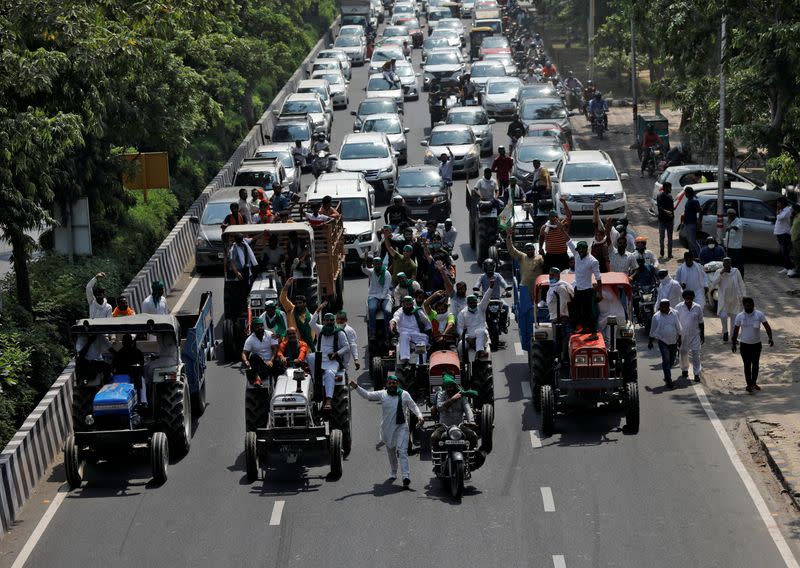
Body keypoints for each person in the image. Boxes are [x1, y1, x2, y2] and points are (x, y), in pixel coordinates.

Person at [349, 374, 424, 486]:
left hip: (402, 427)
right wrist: (356, 387)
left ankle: (405, 476)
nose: (392, 385)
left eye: (394, 383)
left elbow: (413, 406)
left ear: (397, 384)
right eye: (390, 383)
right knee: (391, 452)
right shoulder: (382, 394)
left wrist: (419, 415)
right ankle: (393, 472)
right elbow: (367, 395)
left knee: (403, 451)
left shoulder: (404, 394)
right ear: (387, 385)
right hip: (388, 429)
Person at [308, 309, 350, 409]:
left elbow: (347, 347)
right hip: (320, 359)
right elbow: (311, 323)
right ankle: (314, 381)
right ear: (324, 321)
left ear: (334, 321)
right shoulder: (320, 329)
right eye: (327, 320)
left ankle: (328, 400)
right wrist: (318, 310)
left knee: (329, 373)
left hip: (333, 361)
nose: (329, 322)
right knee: (309, 357)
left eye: (331, 320)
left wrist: (337, 353)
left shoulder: (339, 332)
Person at [430, 375, 479, 458]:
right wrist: (452, 399)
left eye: (451, 387)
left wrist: (471, 421)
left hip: (459, 426)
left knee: (473, 436)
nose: (449, 389)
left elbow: (467, 409)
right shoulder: (441, 395)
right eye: (447, 387)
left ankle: (470, 459)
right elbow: (440, 408)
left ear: (454, 386)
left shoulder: (462, 396)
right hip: (444, 427)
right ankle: (438, 461)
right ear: (445, 387)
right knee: (434, 437)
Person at [732, 297, 774, 393]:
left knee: (755, 364)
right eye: (746, 306)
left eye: (750, 306)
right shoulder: (739, 316)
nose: (748, 308)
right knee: (747, 365)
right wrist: (734, 343)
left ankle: (753, 383)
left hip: (756, 345)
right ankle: (749, 384)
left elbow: (767, 327)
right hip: (744, 345)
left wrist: (770, 338)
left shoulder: (759, 315)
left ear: (753, 305)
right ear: (744, 306)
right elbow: (735, 330)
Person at [565, 236, 602, 338]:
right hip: (578, 289)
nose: (580, 251)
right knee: (577, 310)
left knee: (590, 312)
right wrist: (561, 229)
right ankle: (585, 328)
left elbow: (598, 278)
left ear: (586, 249)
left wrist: (599, 293)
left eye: (582, 249)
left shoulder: (592, 261)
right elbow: (569, 241)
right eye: (579, 249)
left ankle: (594, 333)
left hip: (588, 290)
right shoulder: (576, 255)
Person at [709, 257, 746, 342]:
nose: (727, 266)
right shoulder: (719, 272)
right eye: (725, 264)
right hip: (724, 299)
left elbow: (741, 284)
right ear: (723, 264)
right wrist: (721, 273)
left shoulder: (736, 272)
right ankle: (725, 331)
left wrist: (743, 296)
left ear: (731, 264)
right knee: (723, 315)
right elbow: (713, 284)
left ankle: (733, 337)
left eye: (728, 264)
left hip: (734, 299)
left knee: (734, 319)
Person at [649, 299, 682, 389]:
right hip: (663, 341)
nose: (662, 308)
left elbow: (678, 326)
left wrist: (680, 337)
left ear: (668, 306)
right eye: (661, 306)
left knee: (672, 360)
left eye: (664, 306)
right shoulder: (656, 316)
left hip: (673, 341)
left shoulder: (675, 313)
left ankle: (666, 371)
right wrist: (650, 341)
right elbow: (652, 329)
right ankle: (668, 379)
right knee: (666, 359)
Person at [390, 295, 432, 363]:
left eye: (410, 304)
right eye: (406, 304)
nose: (408, 306)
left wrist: (429, 332)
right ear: (403, 304)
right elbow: (395, 319)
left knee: (422, 345)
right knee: (404, 334)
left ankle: (421, 366)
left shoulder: (418, 311)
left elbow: (427, 323)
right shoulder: (399, 311)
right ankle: (405, 359)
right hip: (405, 338)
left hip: (417, 336)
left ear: (412, 304)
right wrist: (392, 324)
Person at [241, 317, 280, 387]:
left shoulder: (270, 334)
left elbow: (275, 348)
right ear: (253, 329)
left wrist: (271, 360)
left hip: (271, 361)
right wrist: (245, 360)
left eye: (261, 326)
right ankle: (257, 379)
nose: (260, 328)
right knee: (253, 356)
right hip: (260, 364)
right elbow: (244, 353)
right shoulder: (250, 339)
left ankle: (277, 384)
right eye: (257, 327)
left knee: (278, 361)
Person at [676, 289, 704, 382]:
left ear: (693, 297)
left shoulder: (698, 307)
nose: (688, 299)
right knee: (683, 352)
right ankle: (684, 369)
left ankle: (696, 373)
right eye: (686, 297)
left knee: (696, 355)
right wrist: (677, 336)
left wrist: (702, 335)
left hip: (695, 334)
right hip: (682, 335)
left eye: (690, 297)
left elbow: (701, 322)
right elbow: (676, 322)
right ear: (683, 298)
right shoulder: (678, 307)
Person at [363, 255, 393, 340]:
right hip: (373, 296)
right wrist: (364, 261)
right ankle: (372, 332)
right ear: (373, 265)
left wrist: (381, 300)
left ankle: (388, 333)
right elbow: (365, 269)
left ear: (381, 264)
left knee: (387, 311)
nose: (377, 265)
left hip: (385, 297)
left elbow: (386, 288)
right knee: (371, 309)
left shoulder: (387, 274)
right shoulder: (371, 272)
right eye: (375, 264)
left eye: (379, 264)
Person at [279, 278, 315, 348]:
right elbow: (283, 299)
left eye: (300, 303)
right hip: (289, 345)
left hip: (304, 347)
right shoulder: (291, 309)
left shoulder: (310, 317)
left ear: (305, 303)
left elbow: (311, 336)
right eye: (296, 303)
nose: (298, 305)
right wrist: (286, 286)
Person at [505, 229, 544, 294]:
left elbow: (545, 265)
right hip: (525, 287)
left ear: (534, 250)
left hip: (537, 287)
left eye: (531, 249)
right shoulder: (522, 257)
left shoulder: (539, 257)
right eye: (528, 249)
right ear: (525, 251)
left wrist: (543, 255)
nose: (530, 251)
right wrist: (509, 237)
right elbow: (512, 250)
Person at [539, 199, 572, 271]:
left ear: (558, 217)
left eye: (555, 217)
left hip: (562, 256)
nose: (553, 218)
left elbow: (569, 216)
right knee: (548, 274)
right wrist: (540, 248)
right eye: (551, 217)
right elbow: (541, 237)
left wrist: (564, 203)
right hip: (550, 256)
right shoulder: (544, 227)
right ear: (549, 218)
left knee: (564, 274)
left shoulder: (563, 225)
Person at [457, 290, 493, 356]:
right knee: (460, 346)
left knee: (480, 331)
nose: (473, 304)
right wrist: (466, 338)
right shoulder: (462, 313)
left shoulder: (481, 308)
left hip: (482, 336)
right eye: (470, 303)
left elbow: (486, 297)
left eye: (474, 302)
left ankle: (480, 351)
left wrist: (491, 287)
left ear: (477, 302)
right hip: (469, 338)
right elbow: (459, 328)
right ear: (467, 304)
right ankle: (461, 363)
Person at [723, 208, 745, 277]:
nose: (728, 217)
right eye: (728, 215)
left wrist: (731, 227)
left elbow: (737, 227)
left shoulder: (738, 221)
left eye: (730, 215)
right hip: (729, 246)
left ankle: (740, 277)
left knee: (738, 264)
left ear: (733, 215)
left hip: (736, 247)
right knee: (730, 263)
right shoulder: (729, 221)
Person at [656, 181, 675, 258]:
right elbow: (659, 207)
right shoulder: (659, 196)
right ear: (666, 188)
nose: (671, 189)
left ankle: (669, 254)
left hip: (670, 220)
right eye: (670, 187)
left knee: (670, 238)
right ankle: (662, 250)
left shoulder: (670, 196)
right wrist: (666, 211)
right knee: (662, 237)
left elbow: (672, 208)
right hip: (662, 220)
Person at [681, 186, 701, 257]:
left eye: (686, 193)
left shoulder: (694, 201)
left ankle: (700, 255)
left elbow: (699, 211)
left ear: (688, 193)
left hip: (692, 223)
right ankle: (692, 255)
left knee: (693, 241)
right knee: (689, 241)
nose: (685, 195)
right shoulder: (688, 200)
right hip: (687, 223)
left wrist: (699, 222)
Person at [775, 196, 793, 274]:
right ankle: (786, 267)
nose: (777, 204)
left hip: (784, 233)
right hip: (780, 233)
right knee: (782, 252)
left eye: (779, 203)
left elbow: (781, 218)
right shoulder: (781, 210)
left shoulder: (787, 210)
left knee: (785, 252)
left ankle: (790, 268)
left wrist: (778, 214)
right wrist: (778, 213)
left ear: (782, 203)